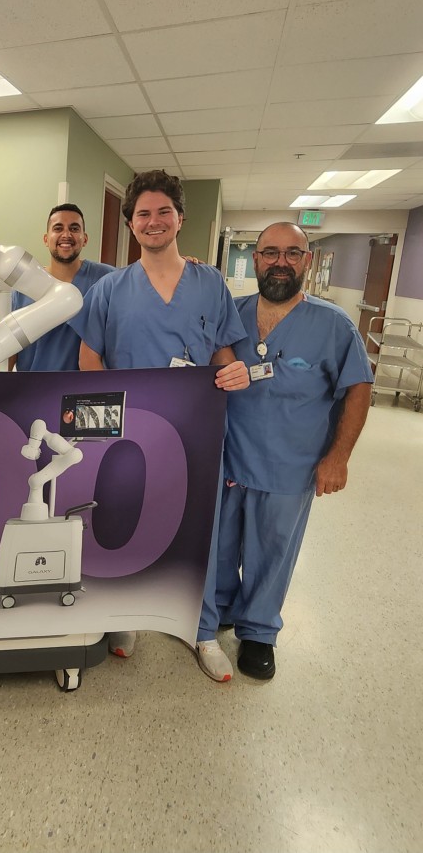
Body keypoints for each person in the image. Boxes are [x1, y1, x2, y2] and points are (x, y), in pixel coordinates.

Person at [74, 169, 249, 668]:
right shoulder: (111, 289)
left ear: (180, 219)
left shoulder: (209, 282)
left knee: (199, 526)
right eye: (143, 214)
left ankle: (204, 629)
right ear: (131, 223)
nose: (154, 222)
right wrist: (102, 433)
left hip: (195, 430)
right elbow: (90, 360)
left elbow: (223, 351)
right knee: (126, 521)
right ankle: (126, 612)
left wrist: (233, 373)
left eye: (163, 212)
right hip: (131, 433)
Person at [200, 222, 373, 680]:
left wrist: (338, 458)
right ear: (253, 259)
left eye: (292, 253)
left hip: (288, 464)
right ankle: (219, 609)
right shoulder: (231, 314)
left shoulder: (332, 324)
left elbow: (358, 388)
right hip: (229, 455)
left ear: (307, 262)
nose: (280, 262)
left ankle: (258, 631)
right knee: (218, 542)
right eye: (270, 252)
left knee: (272, 549)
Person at [12, 203, 113, 371]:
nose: (66, 235)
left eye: (74, 229)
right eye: (58, 228)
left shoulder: (105, 279)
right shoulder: (24, 284)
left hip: (83, 392)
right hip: (31, 388)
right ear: (46, 239)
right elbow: (7, 349)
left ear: (85, 239)